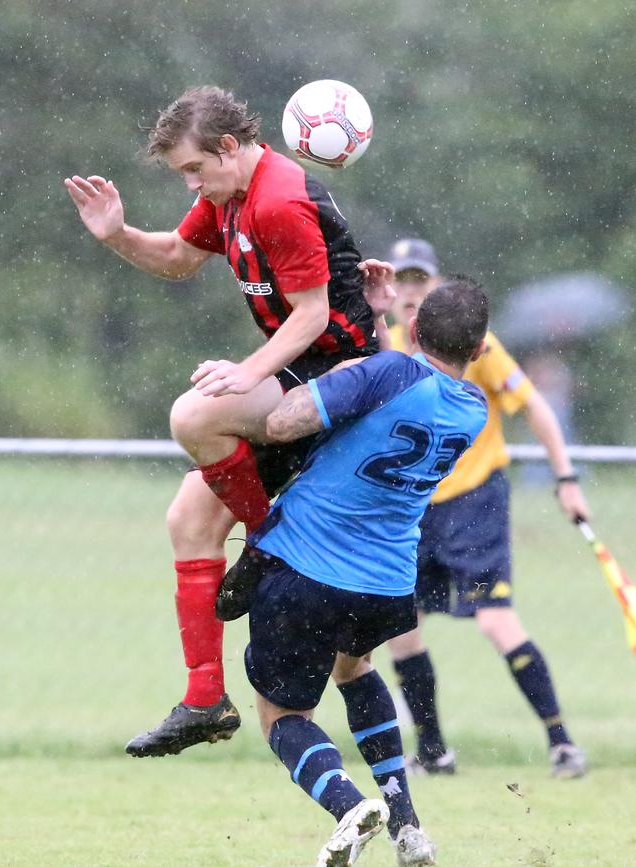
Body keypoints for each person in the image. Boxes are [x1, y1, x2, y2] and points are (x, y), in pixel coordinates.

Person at [64, 85, 392, 757]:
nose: (191, 184)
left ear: (230, 148)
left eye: (194, 170)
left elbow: (312, 315)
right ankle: (206, 699)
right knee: (188, 519)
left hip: (345, 381)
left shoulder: (277, 199)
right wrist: (117, 234)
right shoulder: (230, 198)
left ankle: (265, 542)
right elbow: (178, 260)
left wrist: (248, 373)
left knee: (194, 413)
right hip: (298, 375)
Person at [242, 276, 489, 866]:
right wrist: (376, 326)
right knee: (354, 670)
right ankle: (407, 823)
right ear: (479, 350)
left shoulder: (386, 375)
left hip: (308, 566)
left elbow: (282, 423)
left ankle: (349, 805)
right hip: (385, 584)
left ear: (414, 328)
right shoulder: (473, 410)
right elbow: (398, 385)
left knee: (282, 715)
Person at [383, 238, 591, 779]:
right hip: (413, 508)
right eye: (401, 282)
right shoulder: (388, 348)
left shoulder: (476, 344)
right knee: (401, 627)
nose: (410, 292)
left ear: (435, 287)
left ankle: (561, 742)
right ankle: (433, 751)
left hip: (474, 502)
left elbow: (536, 409)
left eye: (419, 281)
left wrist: (566, 478)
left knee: (497, 621)